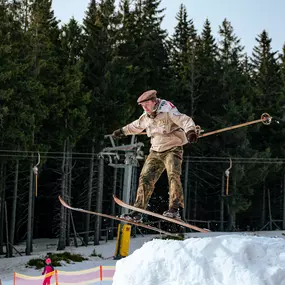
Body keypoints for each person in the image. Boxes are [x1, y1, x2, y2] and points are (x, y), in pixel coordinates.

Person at [112, 90, 198, 221]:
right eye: (142, 106)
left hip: (172, 149)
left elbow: (184, 120)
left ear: (154, 101)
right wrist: (122, 131)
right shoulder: (146, 116)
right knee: (145, 178)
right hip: (156, 151)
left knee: (173, 175)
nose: (145, 108)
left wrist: (191, 131)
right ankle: (137, 212)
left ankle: (174, 209)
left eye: (146, 104)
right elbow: (136, 125)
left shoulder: (168, 109)